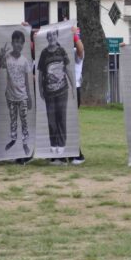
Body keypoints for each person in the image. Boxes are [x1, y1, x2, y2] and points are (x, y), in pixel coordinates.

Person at [0, 29, 33, 157]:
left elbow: (27, 81)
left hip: (22, 97)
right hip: (10, 96)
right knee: (13, 120)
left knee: (24, 120)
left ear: (23, 44)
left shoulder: (25, 61)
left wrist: (29, 97)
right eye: (16, 42)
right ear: (12, 42)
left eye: (21, 42)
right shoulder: (7, 57)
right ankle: (13, 139)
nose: (18, 45)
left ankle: (25, 142)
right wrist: (0, 56)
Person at [37, 28, 73, 159]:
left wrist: (73, 86)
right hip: (49, 93)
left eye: (54, 34)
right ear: (47, 37)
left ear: (57, 36)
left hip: (63, 91)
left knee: (61, 118)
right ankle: (53, 145)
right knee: (51, 120)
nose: (51, 37)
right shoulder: (44, 53)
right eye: (49, 35)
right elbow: (41, 73)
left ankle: (62, 146)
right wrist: (40, 88)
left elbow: (67, 69)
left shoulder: (62, 51)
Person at [70, 26, 86, 165]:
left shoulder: (76, 52)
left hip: (74, 90)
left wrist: (76, 37)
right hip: (61, 91)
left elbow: (81, 50)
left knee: (71, 123)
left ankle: (78, 154)